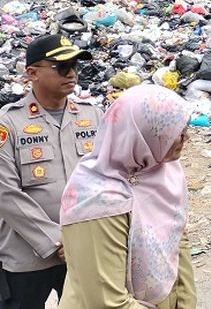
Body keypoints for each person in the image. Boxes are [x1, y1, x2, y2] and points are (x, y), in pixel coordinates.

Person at [57, 84, 196, 309]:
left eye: (185, 128)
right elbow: (107, 302)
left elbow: (178, 243)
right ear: (144, 133)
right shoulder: (97, 199)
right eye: (175, 132)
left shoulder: (165, 173)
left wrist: (186, 303)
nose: (185, 138)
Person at [0, 34, 102, 309]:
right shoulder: (9, 123)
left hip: (84, 249)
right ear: (32, 73)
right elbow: (6, 193)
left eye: (74, 66)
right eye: (61, 67)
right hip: (28, 254)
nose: (72, 74)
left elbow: (107, 178)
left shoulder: (92, 116)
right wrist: (57, 241)